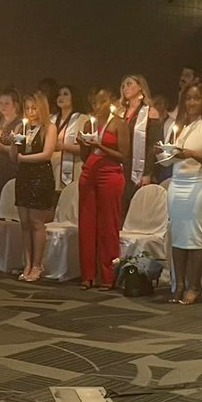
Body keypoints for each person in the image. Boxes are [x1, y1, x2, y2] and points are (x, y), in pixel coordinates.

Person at [162, 83, 202, 305]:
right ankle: (178, 284)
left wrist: (189, 153)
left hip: (200, 184)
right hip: (177, 183)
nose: (192, 103)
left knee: (196, 234)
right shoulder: (178, 125)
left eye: (196, 98)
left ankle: (195, 286)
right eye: (188, 98)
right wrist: (165, 154)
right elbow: (170, 153)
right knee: (178, 234)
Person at [78, 89, 125, 289]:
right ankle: (87, 274)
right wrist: (83, 144)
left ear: (111, 102)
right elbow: (84, 155)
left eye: (102, 101)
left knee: (108, 225)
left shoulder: (119, 124)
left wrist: (101, 145)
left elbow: (123, 155)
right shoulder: (89, 123)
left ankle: (108, 276)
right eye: (95, 102)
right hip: (89, 170)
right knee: (86, 224)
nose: (98, 106)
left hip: (110, 171)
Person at [11, 91, 57, 282]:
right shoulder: (22, 127)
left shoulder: (49, 128)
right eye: (27, 108)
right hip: (23, 176)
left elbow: (47, 154)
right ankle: (27, 263)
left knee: (36, 222)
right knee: (24, 223)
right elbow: (13, 158)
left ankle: (37, 265)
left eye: (34, 107)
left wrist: (24, 158)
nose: (30, 112)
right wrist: (14, 144)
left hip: (40, 176)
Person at [117, 74, 162, 217]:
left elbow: (152, 145)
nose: (125, 88)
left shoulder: (150, 112)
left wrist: (147, 173)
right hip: (120, 166)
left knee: (134, 209)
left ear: (141, 87)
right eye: (123, 85)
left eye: (129, 84)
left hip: (138, 168)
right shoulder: (119, 113)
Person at [0, 88, 23, 216]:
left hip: (9, 166)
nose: (2, 106)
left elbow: (20, 148)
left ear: (15, 105)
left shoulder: (19, 123)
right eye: (1, 103)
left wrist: (2, 148)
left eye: (6, 103)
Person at [51, 84, 87, 189]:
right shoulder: (51, 119)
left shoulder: (82, 119)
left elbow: (84, 148)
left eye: (65, 94)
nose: (61, 97)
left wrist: (62, 146)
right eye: (59, 94)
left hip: (73, 168)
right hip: (52, 167)